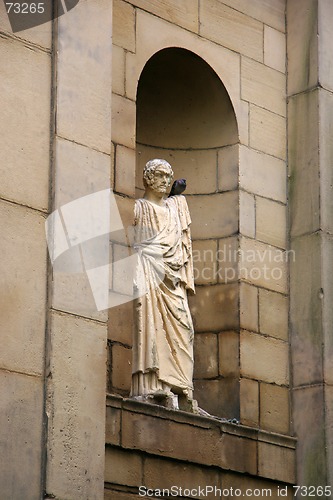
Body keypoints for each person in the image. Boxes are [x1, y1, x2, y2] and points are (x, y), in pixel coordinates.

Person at [130, 159, 196, 410]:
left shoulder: (175, 208)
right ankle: (152, 386)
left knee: (185, 328)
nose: (165, 180)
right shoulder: (138, 208)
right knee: (149, 326)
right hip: (149, 274)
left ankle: (181, 387)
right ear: (147, 178)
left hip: (174, 279)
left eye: (169, 176)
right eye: (159, 175)